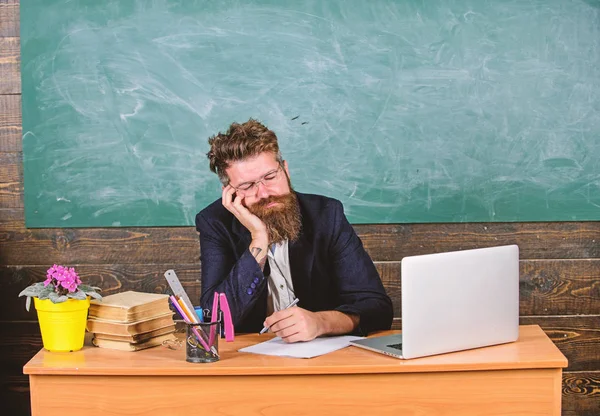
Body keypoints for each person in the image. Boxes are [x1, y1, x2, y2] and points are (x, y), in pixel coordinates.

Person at [196, 119, 392, 343]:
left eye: (270, 177)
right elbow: (216, 319)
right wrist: (259, 239)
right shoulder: (214, 222)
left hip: (324, 359)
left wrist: (320, 322)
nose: (264, 193)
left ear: (285, 170)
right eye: (248, 186)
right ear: (229, 193)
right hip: (247, 361)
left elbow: (377, 307)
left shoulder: (326, 215)